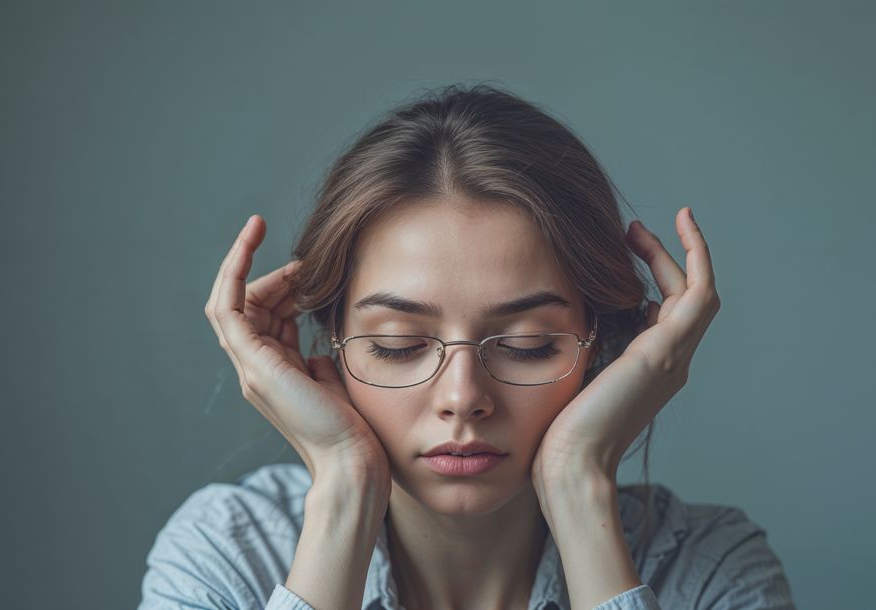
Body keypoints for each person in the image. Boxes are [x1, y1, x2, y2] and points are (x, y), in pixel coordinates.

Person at [138, 84, 796, 610]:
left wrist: (578, 485)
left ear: (602, 350)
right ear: (332, 346)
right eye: (397, 345)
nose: (463, 399)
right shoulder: (226, 552)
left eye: (529, 344)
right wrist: (343, 488)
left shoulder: (710, 567)